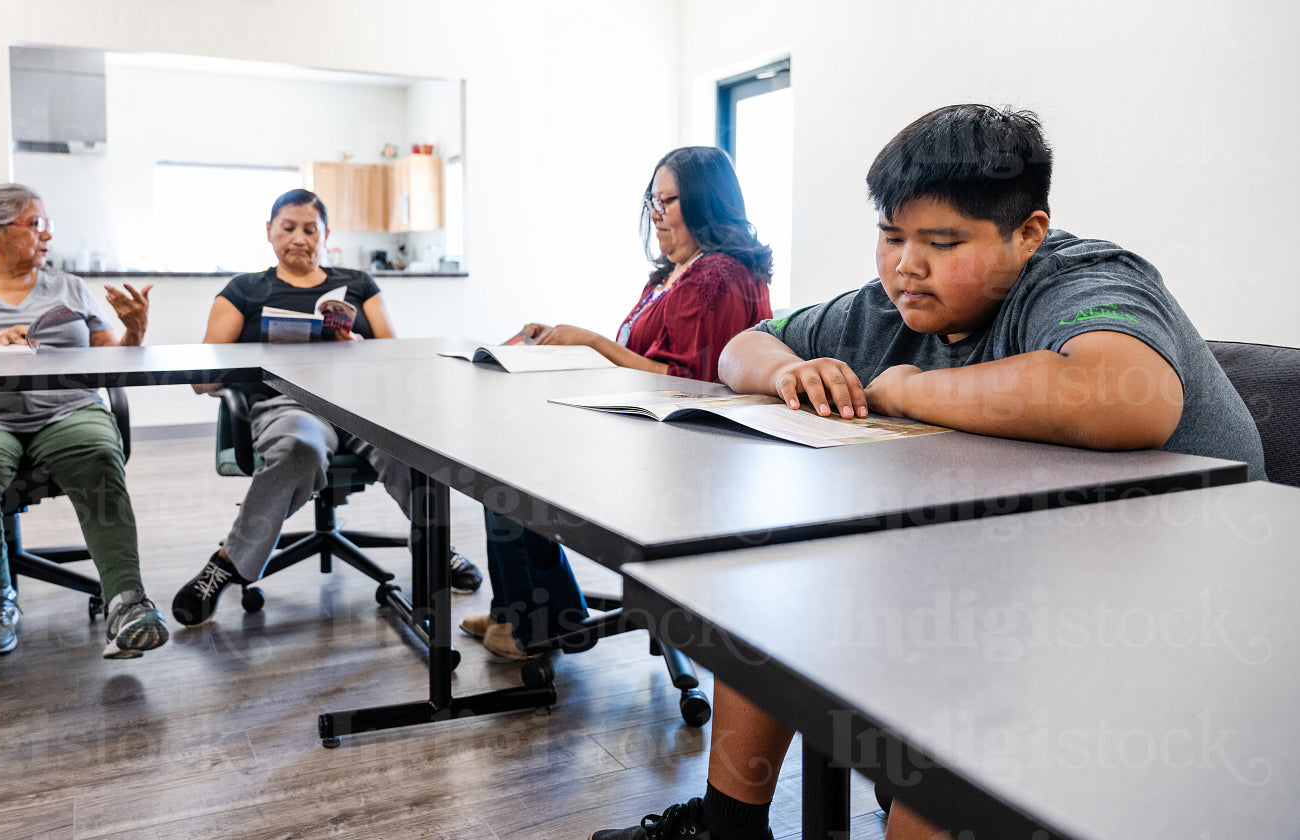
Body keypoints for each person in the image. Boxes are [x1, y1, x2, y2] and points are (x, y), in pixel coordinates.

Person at [586, 105, 1265, 840]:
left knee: (937, 781)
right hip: (1010, 577)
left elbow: (1126, 398)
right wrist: (790, 371)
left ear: (1027, 234)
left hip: (1175, 620)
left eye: (942, 242)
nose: (907, 265)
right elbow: (742, 347)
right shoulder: (892, 302)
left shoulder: (1081, 278)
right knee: (768, 581)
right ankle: (729, 827)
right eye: (891, 236)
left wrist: (903, 389)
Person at [463, 146, 773, 661]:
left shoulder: (717, 275)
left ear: (706, 204)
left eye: (670, 201)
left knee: (508, 468)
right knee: (506, 457)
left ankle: (533, 622)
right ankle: (525, 611)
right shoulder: (670, 277)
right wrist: (569, 343)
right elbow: (640, 360)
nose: (656, 212)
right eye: (654, 199)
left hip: (684, 454)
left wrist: (588, 342)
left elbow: (689, 382)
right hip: (646, 435)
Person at [171, 188, 482, 626]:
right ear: (269, 232)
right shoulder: (244, 290)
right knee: (299, 447)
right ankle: (227, 561)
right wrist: (260, 352)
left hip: (358, 403)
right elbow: (203, 378)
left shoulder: (358, 284)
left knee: (412, 448)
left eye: (309, 229)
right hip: (286, 405)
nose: (299, 237)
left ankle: (436, 549)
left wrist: (356, 347)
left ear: (326, 235)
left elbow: (395, 360)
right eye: (288, 227)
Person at [0, 183, 170, 660]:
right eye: (36, 223)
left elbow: (112, 360)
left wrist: (135, 328)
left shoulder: (68, 286)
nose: (48, 235)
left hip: (63, 410)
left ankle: (128, 603)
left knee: (96, 451)